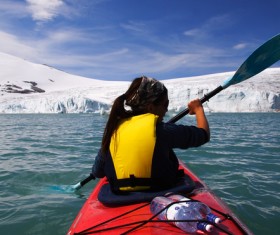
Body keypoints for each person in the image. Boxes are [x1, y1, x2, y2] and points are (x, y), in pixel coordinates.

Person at [91, 76, 210, 193]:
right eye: (165, 104)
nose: (166, 110)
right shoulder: (163, 131)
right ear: (151, 107)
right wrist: (198, 109)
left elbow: (98, 172)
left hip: (119, 196)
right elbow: (204, 135)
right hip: (160, 191)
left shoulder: (114, 131)